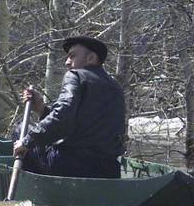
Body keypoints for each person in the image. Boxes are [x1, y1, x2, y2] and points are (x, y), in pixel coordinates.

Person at [12, 36, 125, 178]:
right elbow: (78, 123)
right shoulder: (116, 87)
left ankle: (36, 190)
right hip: (109, 170)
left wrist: (27, 141)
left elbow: (63, 116)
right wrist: (41, 109)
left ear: (91, 58)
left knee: (20, 129)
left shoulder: (75, 75)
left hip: (71, 166)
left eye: (72, 56)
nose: (67, 62)